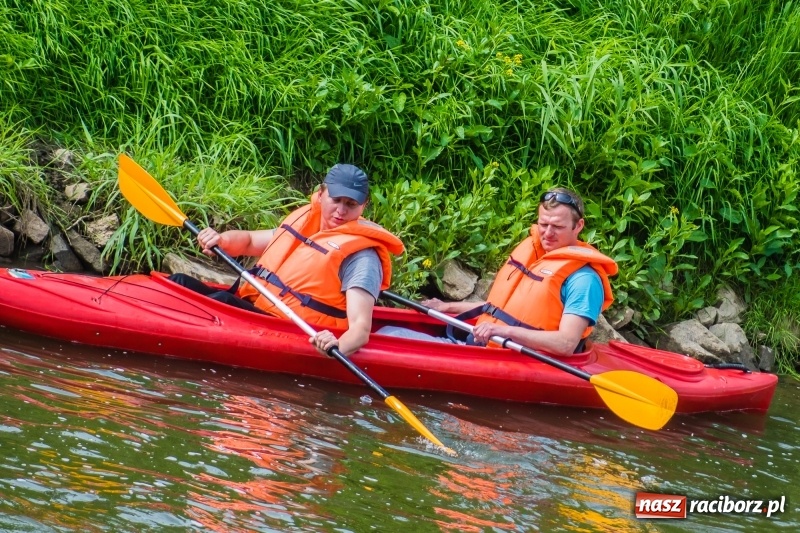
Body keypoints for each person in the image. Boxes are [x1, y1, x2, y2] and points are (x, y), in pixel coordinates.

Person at [169, 164, 404, 357]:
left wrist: (334, 348)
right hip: (256, 308)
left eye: (351, 204)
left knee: (221, 299)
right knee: (180, 280)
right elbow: (250, 241)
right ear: (321, 195)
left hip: (288, 327)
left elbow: (361, 329)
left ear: (363, 206)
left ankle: (170, 339)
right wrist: (221, 239)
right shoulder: (307, 222)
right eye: (336, 200)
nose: (341, 211)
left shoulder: (362, 257)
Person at [380, 187, 617, 356]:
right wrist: (447, 307)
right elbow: (497, 311)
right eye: (543, 224)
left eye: (557, 227)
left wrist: (501, 331)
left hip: (516, 359)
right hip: (486, 346)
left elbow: (566, 343)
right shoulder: (536, 255)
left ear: (579, 226)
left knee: (390, 336)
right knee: (388, 330)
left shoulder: (583, 280)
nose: (547, 233)